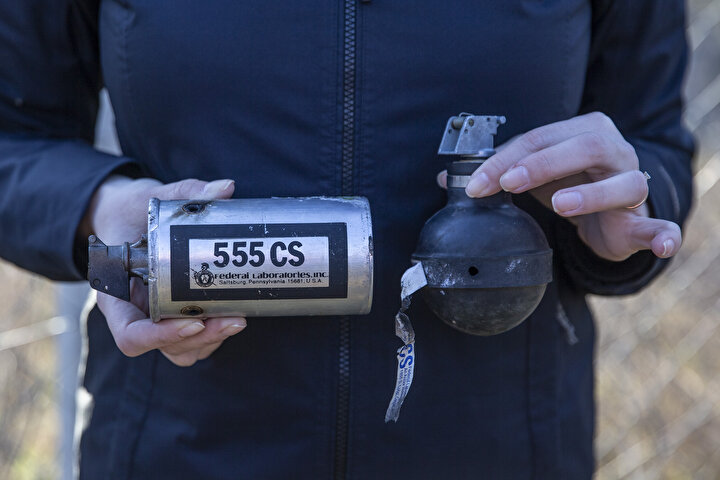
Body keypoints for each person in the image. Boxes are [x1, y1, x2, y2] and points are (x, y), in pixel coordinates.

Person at [0, 1, 693, 478]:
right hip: (178, 444)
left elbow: (653, 139)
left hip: (502, 446)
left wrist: (625, 210)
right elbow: (14, 142)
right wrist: (100, 205)